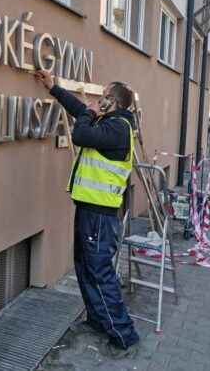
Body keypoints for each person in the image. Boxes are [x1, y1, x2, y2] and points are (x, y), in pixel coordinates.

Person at [35, 69, 140, 359]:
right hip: (89, 209)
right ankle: (97, 320)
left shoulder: (118, 127)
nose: (97, 101)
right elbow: (82, 111)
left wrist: (91, 112)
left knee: (100, 272)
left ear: (112, 102)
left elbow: (80, 133)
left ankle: (124, 336)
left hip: (100, 216)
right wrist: (53, 88)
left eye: (102, 97)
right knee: (85, 268)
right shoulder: (111, 122)